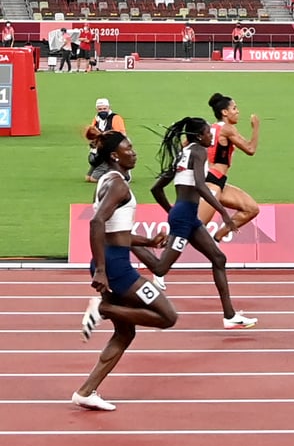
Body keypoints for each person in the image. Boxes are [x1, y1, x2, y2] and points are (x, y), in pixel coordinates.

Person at [74, 129, 177, 411]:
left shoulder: (106, 180)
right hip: (116, 267)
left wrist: (148, 241)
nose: (134, 152)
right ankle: (103, 310)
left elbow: (114, 232)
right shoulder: (118, 185)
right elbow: (96, 223)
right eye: (128, 148)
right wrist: (103, 272)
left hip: (110, 260)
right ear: (114, 155)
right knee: (168, 316)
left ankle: (86, 391)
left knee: (124, 334)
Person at [130, 116, 257, 329]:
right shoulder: (198, 151)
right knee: (160, 268)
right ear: (199, 136)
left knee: (218, 258)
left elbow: (156, 188)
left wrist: (171, 211)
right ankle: (127, 242)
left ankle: (229, 315)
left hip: (187, 216)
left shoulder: (183, 154)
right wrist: (222, 213)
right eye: (208, 133)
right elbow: (200, 184)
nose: (211, 137)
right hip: (185, 218)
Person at [197, 93, 261, 243]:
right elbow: (250, 149)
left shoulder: (210, 128)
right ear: (224, 112)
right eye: (234, 108)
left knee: (251, 209)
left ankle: (218, 236)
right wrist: (256, 127)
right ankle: (159, 250)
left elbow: (186, 143)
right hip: (211, 183)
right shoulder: (228, 129)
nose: (237, 111)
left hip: (216, 181)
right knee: (194, 230)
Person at [86, 98, 127, 182]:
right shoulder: (96, 119)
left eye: (104, 109)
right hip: (100, 151)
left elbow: (122, 135)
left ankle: (118, 174)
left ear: (109, 108)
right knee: (88, 178)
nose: (102, 111)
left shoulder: (115, 118)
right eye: (100, 109)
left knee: (94, 179)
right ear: (96, 109)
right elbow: (92, 133)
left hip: (110, 152)